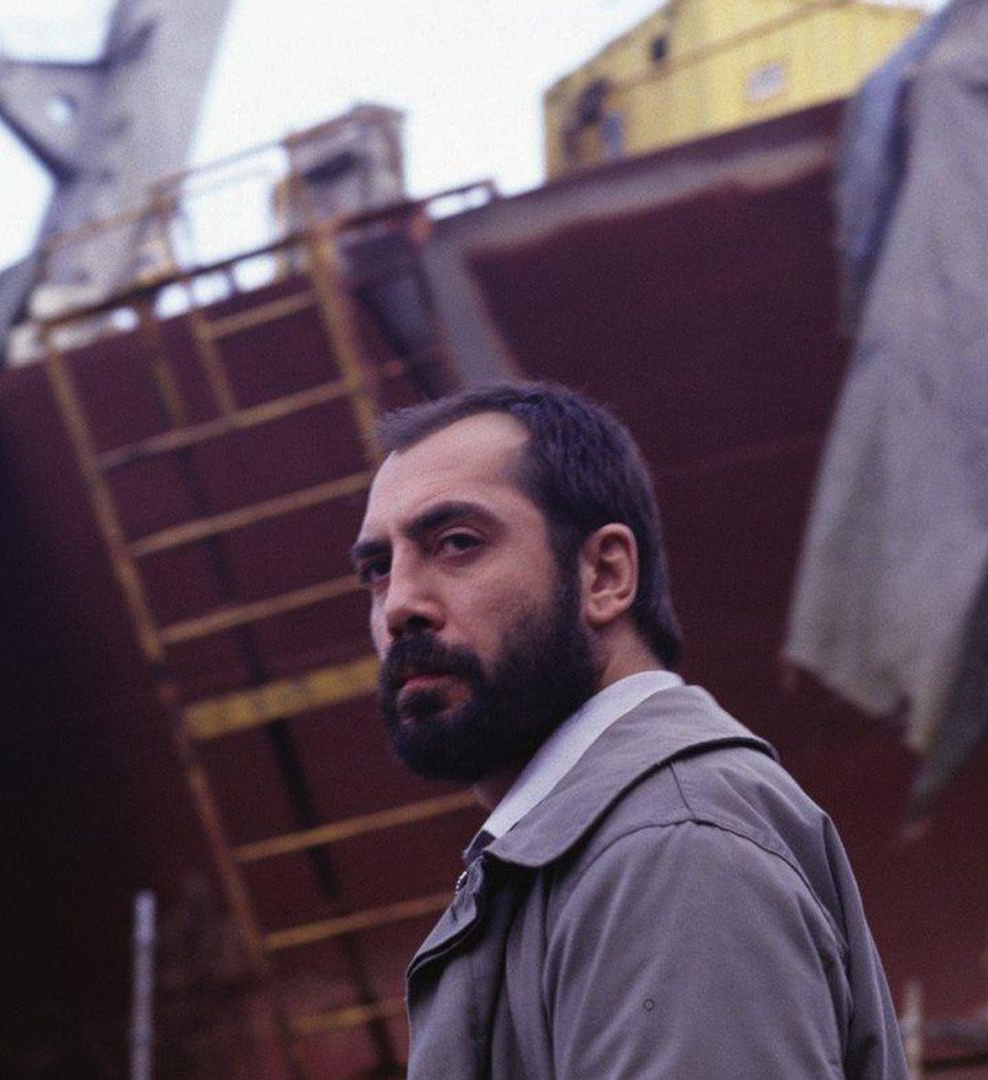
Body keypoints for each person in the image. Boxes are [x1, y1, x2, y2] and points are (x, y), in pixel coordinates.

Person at [352, 382, 908, 1078]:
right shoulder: (581, 855)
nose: (400, 603)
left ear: (605, 575)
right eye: (378, 569)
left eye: (457, 543)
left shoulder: (672, 849)